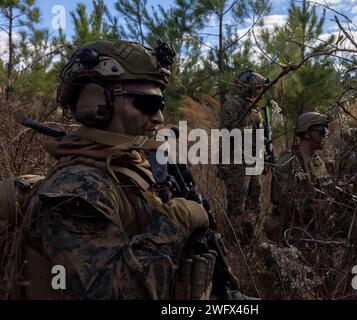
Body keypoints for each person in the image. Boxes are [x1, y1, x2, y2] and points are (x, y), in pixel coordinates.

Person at [20, 39, 217, 299]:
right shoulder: (77, 188)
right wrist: (176, 223)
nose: (158, 117)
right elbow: (108, 292)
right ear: (95, 102)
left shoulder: (129, 166)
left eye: (161, 105)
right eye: (147, 104)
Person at [218, 70, 269, 245]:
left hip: (254, 159)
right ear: (247, 87)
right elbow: (226, 134)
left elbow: (262, 137)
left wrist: (265, 156)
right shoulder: (232, 105)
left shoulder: (255, 108)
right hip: (237, 161)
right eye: (258, 88)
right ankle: (233, 245)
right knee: (237, 204)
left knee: (254, 199)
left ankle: (248, 239)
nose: (260, 91)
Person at [264, 112, 332, 243]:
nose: (326, 136)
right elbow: (289, 205)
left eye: (327, 131)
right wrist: (319, 204)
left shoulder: (318, 162)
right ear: (307, 134)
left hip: (312, 224)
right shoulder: (287, 163)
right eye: (322, 132)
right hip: (290, 228)